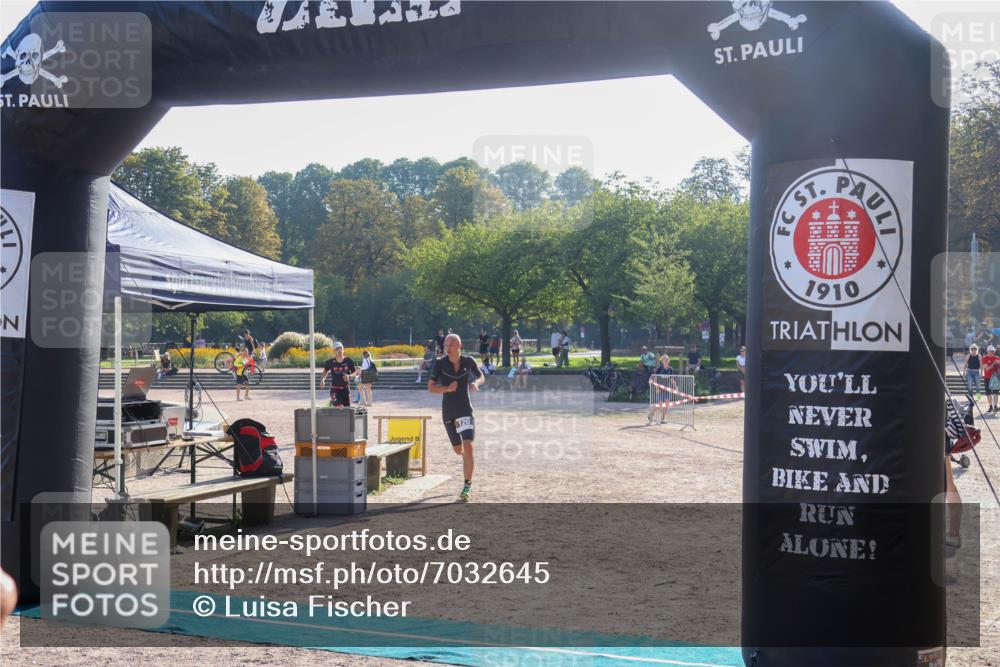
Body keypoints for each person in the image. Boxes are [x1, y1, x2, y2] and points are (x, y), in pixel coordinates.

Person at [428, 334, 483, 502]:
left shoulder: (469, 361)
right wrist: (447, 388)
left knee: (468, 446)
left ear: (459, 346)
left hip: (465, 409)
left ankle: (467, 485)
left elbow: (481, 376)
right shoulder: (440, 363)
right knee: (458, 450)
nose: (447, 347)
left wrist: (476, 383)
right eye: (445, 344)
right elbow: (430, 387)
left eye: (450, 344)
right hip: (449, 412)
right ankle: (466, 459)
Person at [321, 342, 357, 407]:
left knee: (347, 410)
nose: (339, 350)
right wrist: (323, 380)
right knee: (340, 406)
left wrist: (349, 376)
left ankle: (333, 403)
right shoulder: (330, 362)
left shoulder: (349, 361)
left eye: (340, 348)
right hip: (335, 389)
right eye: (337, 349)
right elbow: (325, 371)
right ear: (334, 351)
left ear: (343, 349)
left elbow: (355, 372)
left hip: (345, 389)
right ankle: (333, 402)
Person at [984, 345, 1000, 413]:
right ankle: (990, 406)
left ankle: (995, 406)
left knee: (996, 393)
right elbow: (987, 368)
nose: (993, 352)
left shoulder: (998, 358)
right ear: (988, 351)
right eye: (991, 351)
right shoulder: (984, 358)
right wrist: (994, 363)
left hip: (996, 378)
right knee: (988, 393)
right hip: (987, 377)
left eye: (993, 351)